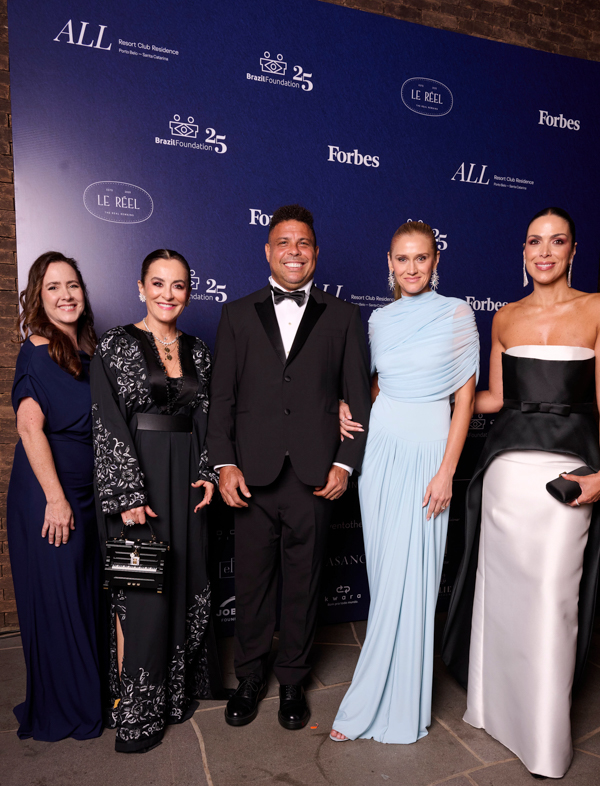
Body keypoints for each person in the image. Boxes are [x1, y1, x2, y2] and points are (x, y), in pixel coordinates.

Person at [442, 208, 600, 779]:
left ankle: (543, 740)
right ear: (524, 251)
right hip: (506, 474)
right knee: (502, 598)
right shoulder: (505, 317)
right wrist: (422, 394)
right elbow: (495, 399)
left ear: (573, 251)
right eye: (535, 241)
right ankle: (495, 711)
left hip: (567, 476)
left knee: (553, 602)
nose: (545, 252)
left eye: (557, 242)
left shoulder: (596, 309)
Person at [207, 204, 371, 730]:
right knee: (252, 584)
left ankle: (294, 679)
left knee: (304, 583)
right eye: (283, 242)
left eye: (303, 243)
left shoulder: (344, 317)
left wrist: (345, 463)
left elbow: (358, 400)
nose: (293, 251)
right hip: (251, 476)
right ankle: (250, 677)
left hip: (316, 475)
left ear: (315, 252)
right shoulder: (236, 315)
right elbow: (221, 399)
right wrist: (224, 464)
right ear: (268, 250)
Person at [330, 221, 479, 744]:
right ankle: (375, 694)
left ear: (435, 261)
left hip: (430, 450)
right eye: (402, 258)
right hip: (382, 451)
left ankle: (396, 703)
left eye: (421, 258)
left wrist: (446, 472)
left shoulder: (458, 313)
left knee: (414, 578)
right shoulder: (379, 319)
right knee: (386, 575)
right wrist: (344, 404)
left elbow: (464, 402)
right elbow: (370, 385)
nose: (411, 268)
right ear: (389, 263)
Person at [91, 248, 223, 754]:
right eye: (159, 283)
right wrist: (126, 491)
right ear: (141, 287)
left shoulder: (199, 351)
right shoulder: (115, 344)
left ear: (189, 292)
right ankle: (135, 709)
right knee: (140, 592)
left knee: (185, 584)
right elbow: (106, 419)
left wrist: (208, 472)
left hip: (186, 481)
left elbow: (210, 417)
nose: (169, 294)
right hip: (138, 479)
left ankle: (171, 695)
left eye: (179, 285)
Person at [8, 251, 103, 741]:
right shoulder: (36, 352)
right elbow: (29, 427)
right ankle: (67, 706)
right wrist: (56, 499)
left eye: (72, 285)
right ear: (38, 298)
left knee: (83, 595)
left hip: (84, 494)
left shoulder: (85, 353)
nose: (65, 295)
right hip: (50, 496)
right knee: (60, 599)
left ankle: (87, 693)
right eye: (53, 287)